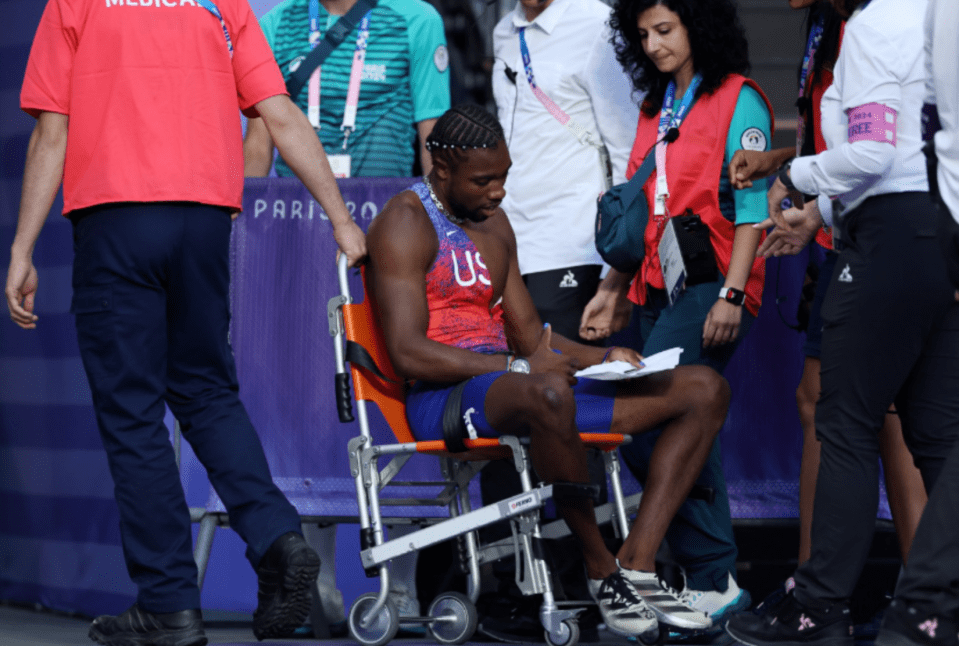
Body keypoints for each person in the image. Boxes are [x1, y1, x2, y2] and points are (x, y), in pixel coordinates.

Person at [7, 0, 366, 644]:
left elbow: (51, 132)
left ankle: (169, 603)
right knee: (206, 392)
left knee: (133, 414)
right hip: (202, 222)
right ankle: (280, 541)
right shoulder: (220, 3)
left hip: (116, 220)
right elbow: (278, 113)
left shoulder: (75, 3)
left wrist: (21, 249)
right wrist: (340, 219)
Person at [366, 103, 730, 640]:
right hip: (443, 398)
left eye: (505, 176)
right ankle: (600, 567)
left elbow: (531, 335)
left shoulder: (495, 223)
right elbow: (408, 354)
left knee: (704, 388)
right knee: (547, 393)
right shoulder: (403, 221)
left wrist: (601, 358)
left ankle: (638, 561)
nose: (499, 192)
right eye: (484, 180)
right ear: (441, 170)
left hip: (523, 387)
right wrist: (515, 366)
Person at [724, 1, 959, 645]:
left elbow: (875, 155)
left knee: (846, 423)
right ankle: (939, 611)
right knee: (938, 435)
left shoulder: (879, 24)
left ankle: (820, 608)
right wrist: (825, 211)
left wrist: (793, 179)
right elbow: (913, 151)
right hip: (939, 235)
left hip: (891, 242)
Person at [581, 0, 772, 626]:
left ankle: (704, 571)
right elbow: (644, 208)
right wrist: (612, 288)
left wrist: (733, 294)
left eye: (665, 30)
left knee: (649, 418)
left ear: (698, 25)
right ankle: (714, 579)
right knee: (680, 426)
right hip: (652, 287)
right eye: (643, 35)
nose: (654, 45)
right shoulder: (654, 104)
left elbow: (751, 209)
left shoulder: (739, 97)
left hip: (710, 284)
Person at [480, 0, 640, 638]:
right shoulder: (504, 28)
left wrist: (617, 272)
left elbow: (629, 149)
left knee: (560, 417)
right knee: (509, 421)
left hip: (578, 251)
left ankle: (583, 581)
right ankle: (521, 583)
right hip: (513, 250)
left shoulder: (599, 23)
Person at [243, 0, 450, 179]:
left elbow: (432, 141)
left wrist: (437, 219)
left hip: (385, 212)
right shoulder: (275, 24)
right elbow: (258, 146)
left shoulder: (419, 20)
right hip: (297, 210)